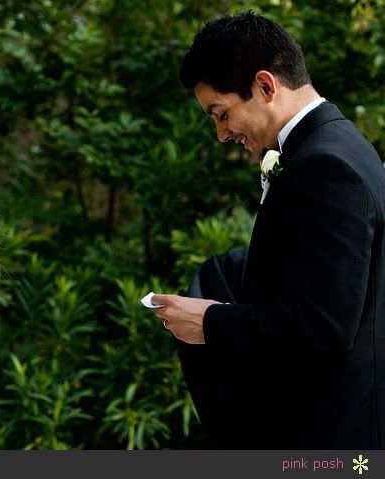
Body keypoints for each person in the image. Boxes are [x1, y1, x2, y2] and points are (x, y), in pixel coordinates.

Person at [152, 11, 385, 448]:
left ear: (264, 86)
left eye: (221, 114)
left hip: (333, 436)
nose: (221, 134)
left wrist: (210, 321)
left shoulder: (324, 166)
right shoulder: (342, 145)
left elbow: (325, 328)